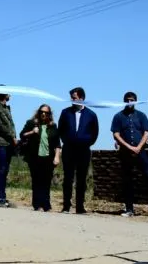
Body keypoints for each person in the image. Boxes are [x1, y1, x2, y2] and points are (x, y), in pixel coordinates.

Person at [110, 91, 148, 217]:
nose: (130, 102)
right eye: (128, 100)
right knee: (127, 180)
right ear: (124, 101)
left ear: (135, 101)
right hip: (125, 153)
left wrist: (138, 147)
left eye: (132, 100)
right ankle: (129, 209)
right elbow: (116, 134)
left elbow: (146, 132)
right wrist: (129, 147)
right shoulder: (118, 116)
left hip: (141, 152)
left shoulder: (141, 116)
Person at [57, 86, 99, 214]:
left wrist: (86, 142)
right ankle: (66, 206)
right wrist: (67, 141)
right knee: (68, 178)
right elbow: (61, 130)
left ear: (81, 98)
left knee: (81, 179)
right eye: (71, 97)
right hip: (69, 149)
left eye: (74, 97)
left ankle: (80, 207)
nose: (72, 99)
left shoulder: (91, 115)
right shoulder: (65, 113)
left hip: (83, 151)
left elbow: (95, 133)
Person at [20, 104, 61, 212]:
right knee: (36, 181)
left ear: (49, 114)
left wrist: (57, 157)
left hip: (48, 157)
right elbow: (22, 135)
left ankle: (46, 205)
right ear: (38, 112)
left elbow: (57, 143)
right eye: (41, 112)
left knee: (46, 181)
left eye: (46, 113)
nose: (43, 114)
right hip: (34, 157)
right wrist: (32, 132)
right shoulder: (31, 123)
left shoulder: (53, 126)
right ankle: (37, 204)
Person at [0, 89, 17, 208]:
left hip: (8, 143)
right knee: (1, 170)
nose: (10, 94)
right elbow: (4, 125)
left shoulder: (5, 107)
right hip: (0, 142)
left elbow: (10, 124)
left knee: (5, 170)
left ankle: (3, 196)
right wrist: (13, 137)